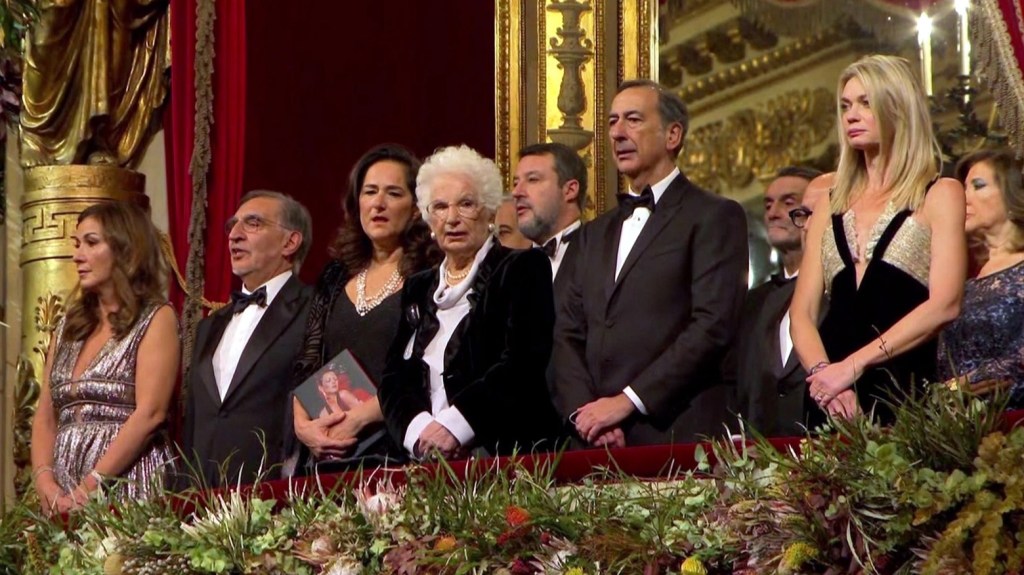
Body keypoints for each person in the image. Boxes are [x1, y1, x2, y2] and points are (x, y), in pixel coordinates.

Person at [553, 79, 749, 447]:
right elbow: (567, 333)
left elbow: (713, 325)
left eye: (633, 120)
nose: (618, 133)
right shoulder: (592, 234)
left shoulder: (714, 216)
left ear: (673, 135)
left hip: (677, 434)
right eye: (612, 122)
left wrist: (627, 402)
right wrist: (587, 414)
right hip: (595, 440)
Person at [790, 55, 966, 425]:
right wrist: (826, 379)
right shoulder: (830, 205)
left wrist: (853, 366)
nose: (851, 116)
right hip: (832, 402)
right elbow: (801, 313)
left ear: (898, 108)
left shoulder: (940, 194)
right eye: (845, 106)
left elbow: (945, 304)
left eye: (865, 103)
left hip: (905, 394)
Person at [378, 145, 564, 459]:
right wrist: (420, 433)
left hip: (504, 454)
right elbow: (394, 377)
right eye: (440, 207)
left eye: (466, 204)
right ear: (429, 220)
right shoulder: (418, 287)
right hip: (426, 458)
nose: (452, 218)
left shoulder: (522, 268)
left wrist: (454, 427)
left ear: (490, 212)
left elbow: (522, 365)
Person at [291, 144, 440, 467]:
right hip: (327, 454)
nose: (378, 203)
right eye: (370, 192)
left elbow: (428, 370)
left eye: (393, 193)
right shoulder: (335, 274)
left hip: (396, 451)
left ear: (417, 208)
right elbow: (309, 360)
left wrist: (359, 417)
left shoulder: (430, 273)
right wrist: (303, 425)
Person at [30, 201, 178, 514]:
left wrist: (91, 486)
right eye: (77, 244)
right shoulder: (68, 326)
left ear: (126, 250)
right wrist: (45, 483)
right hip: (62, 490)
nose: (77, 255)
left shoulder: (156, 318)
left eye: (91, 242)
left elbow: (151, 413)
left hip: (127, 484)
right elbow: (45, 414)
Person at [183, 190, 313, 487]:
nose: (234, 235)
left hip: (276, 493)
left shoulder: (316, 308)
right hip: (202, 497)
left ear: (290, 242)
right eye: (232, 225)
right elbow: (194, 425)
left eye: (253, 223)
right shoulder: (208, 326)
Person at [734, 166, 823, 436]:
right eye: (768, 205)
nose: (773, 213)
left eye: (788, 202)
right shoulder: (752, 303)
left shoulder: (839, 290)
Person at [937, 149, 1024, 407]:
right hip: (961, 422)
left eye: (978, 186)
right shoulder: (964, 274)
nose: (963, 198)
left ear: (1012, 193)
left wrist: (961, 385)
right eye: (964, 188)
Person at [511, 141, 586, 289]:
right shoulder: (511, 269)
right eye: (515, 183)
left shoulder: (600, 256)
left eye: (532, 179)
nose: (516, 192)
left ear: (570, 190)